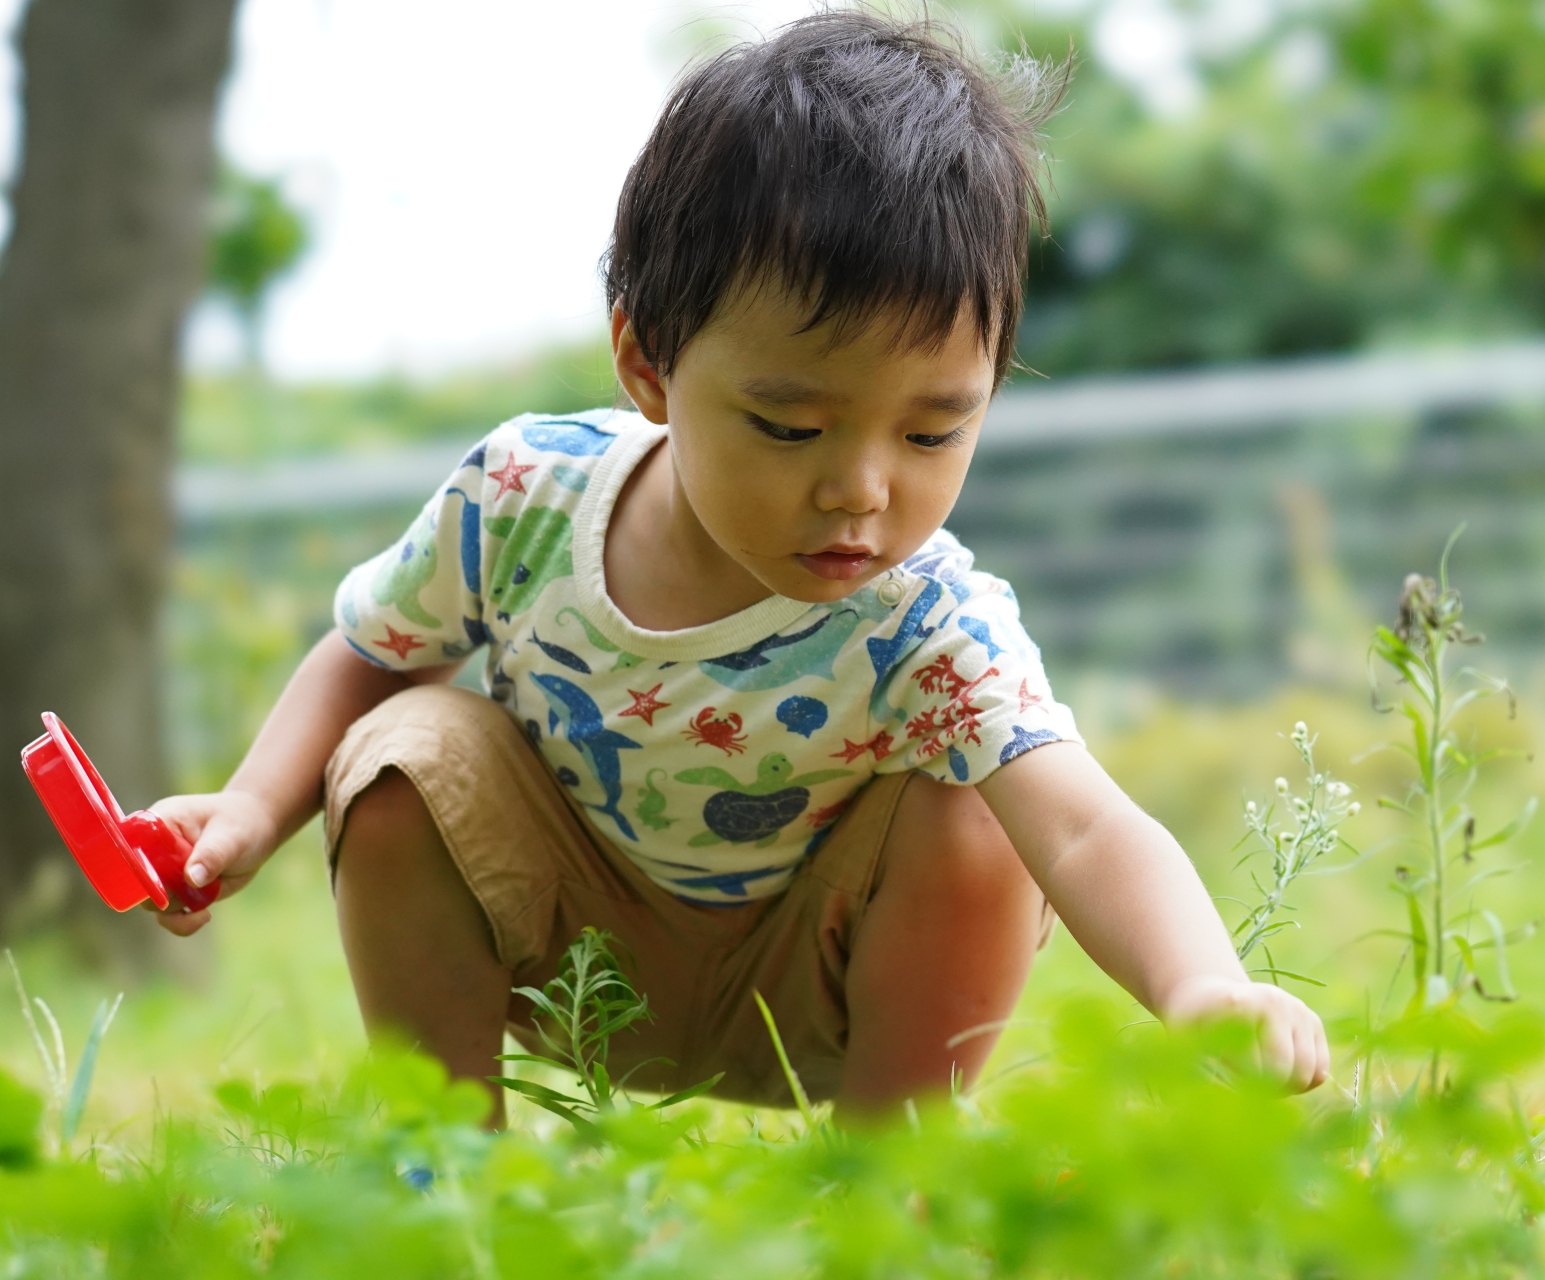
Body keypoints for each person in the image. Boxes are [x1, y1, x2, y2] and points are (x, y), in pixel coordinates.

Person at [149, 9, 1329, 1119]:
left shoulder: (929, 620)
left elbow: (1080, 825)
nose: (861, 488)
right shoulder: (519, 498)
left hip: (820, 991)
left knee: (975, 794)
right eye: (790, 425)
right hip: (572, 961)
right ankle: (441, 1156)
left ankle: (887, 1180)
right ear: (649, 362)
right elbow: (370, 649)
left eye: (932, 431)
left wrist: (1201, 985)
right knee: (405, 751)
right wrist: (252, 808)